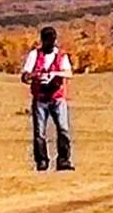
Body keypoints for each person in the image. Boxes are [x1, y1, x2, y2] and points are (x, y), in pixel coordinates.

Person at [21, 24, 75, 172]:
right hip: (40, 98)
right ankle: (42, 161)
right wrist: (36, 76)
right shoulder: (34, 55)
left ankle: (63, 160)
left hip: (57, 98)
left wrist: (55, 74)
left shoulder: (61, 56)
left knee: (63, 129)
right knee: (39, 132)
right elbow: (25, 76)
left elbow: (69, 73)